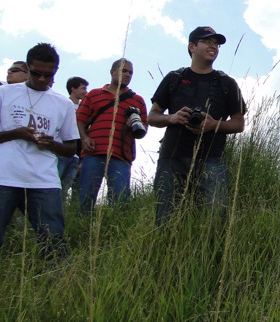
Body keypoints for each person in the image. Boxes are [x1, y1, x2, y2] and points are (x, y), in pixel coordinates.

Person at [149, 26, 246, 226]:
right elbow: (152, 117)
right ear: (192, 46)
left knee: (216, 220)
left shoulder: (226, 83)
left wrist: (213, 125)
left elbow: (239, 123)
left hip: (211, 159)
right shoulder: (174, 78)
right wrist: (173, 118)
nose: (214, 46)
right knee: (165, 218)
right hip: (172, 158)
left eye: (216, 43)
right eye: (207, 41)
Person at [0, 43, 79, 260]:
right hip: (5, 177)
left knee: (53, 241)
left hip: (43, 181)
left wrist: (51, 144)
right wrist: (16, 133)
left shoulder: (63, 104)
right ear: (27, 67)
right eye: (36, 73)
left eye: (49, 75)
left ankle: (60, 287)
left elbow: (72, 148)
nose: (43, 79)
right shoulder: (4, 94)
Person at [76, 60, 148, 213]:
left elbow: (144, 129)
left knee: (120, 202)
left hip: (121, 155)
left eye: (130, 72)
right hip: (94, 152)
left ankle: (115, 234)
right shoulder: (94, 94)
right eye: (124, 71)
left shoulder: (138, 100)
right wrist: (84, 138)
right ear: (112, 72)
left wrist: (134, 125)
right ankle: (82, 233)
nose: (128, 75)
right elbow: (80, 119)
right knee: (85, 199)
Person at [57, 76, 88, 202]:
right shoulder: (63, 104)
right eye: (83, 88)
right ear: (73, 89)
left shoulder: (85, 109)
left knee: (70, 187)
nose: (85, 91)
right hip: (62, 151)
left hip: (77, 155)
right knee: (56, 185)